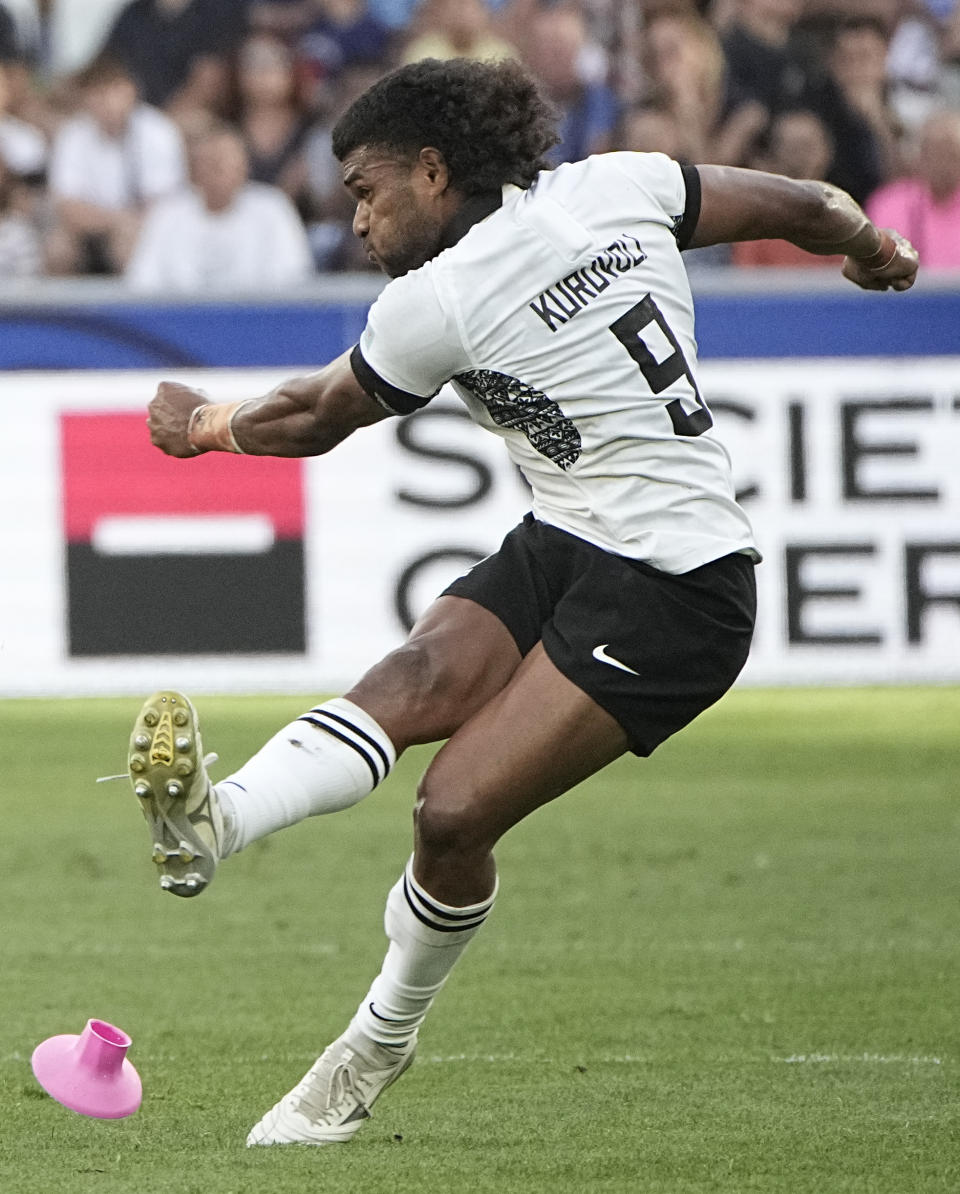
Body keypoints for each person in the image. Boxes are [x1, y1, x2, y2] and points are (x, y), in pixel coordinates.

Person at [126, 57, 917, 1147]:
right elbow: (809, 204)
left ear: (435, 172)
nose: (354, 219)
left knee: (450, 815)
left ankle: (372, 1048)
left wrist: (201, 426)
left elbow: (315, 417)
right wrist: (873, 247)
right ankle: (217, 827)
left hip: (678, 590)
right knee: (412, 680)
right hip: (571, 530)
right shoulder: (616, 182)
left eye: (366, 190)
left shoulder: (438, 299)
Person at [125, 121, 314, 292]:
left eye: (225, 162)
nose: (218, 170)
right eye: (209, 163)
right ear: (192, 169)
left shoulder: (272, 208)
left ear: (245, 167)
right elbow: (143, 281)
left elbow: (292, 278)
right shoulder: (168, 213)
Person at [46, 54, 186, 275]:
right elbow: (66, 205)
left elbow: (161, 205)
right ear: (85, 98)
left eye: (113, 91)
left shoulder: (158, 131)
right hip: (91, 228)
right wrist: (115, 221)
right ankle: (60, 310)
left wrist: (126, 226)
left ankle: (135, 309)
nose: (107, 102)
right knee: (58, 247)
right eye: (97, 94)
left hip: (142, 229)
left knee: (129, 242)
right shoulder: (73, 134)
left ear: (130, 91)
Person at [866, 106, 960, 268]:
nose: (944, 162)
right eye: (935, 151)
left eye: (952, 152)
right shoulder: (887, 204)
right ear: (919, 154)